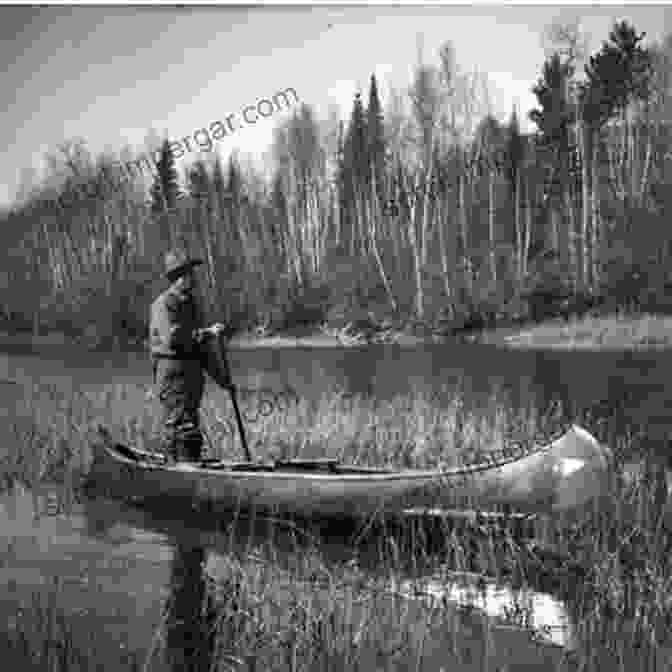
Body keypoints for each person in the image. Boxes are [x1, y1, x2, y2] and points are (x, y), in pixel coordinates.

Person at [149, 248, 227, 463]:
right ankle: (175, 476)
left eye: (192, 273)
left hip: (191, 382)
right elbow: (173, 339)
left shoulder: (191, 305)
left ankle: (189, 472)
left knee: (190, 432)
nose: (193, 278)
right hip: (174, 379)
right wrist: (208, 333)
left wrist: (223, 380)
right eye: (188, 273)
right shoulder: (163, 305)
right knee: (179, 430)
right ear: (177, 277)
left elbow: (202, 351)